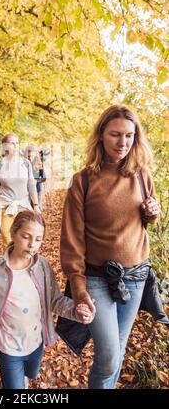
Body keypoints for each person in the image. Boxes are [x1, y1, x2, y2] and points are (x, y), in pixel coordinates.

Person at [60, 105, 160, 389]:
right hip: (96, 279)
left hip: (136, 278)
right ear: (101, 135)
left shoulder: (142, 175)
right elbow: (71, 241)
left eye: (129, 136)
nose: (123, 143)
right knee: (108, 358)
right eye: (115, 134)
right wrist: (78, 289)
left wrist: (152, 212)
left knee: (118, 350)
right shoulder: (83, 181)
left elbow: (148, 216)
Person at [0, 211, 95, 389]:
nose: (32, 245)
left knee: (31, 372)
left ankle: (23, 378)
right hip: (8, 347)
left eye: (38, 239)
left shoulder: (42, 267)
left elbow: (55, 300)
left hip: (36, 343)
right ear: (13, 233)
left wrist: (76, 311)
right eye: (26, 237)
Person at [0, 133, 40, 248]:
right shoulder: (0, 165)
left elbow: (31, 186)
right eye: (12, 143)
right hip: (5, 207)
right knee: (7, 237)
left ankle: (23, 261)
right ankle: (13, 261)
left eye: (17, 143)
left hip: (23, 207)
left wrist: (36, 205)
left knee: (24, 237)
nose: (16, 146)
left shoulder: (25, 163)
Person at [24, 144, 46, 211]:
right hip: (27, 186)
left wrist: (37, 180)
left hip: (37, 187)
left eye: (32, 156)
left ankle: (38, 208)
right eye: (29, 156)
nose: (30, 158)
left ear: (35, 156)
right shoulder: (23, 164)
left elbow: (43, 177)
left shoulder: (38, 164)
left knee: (38, 190)